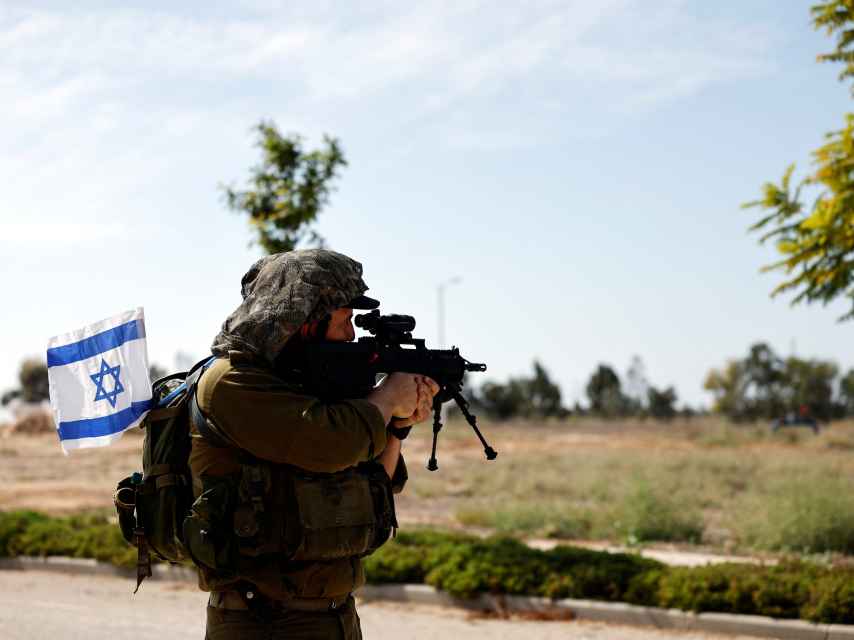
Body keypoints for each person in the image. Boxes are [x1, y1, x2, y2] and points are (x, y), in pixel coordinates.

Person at [187, 249, 438, 639]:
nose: (352, 335)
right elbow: (331, 445)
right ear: (302, 323)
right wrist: (386, 398)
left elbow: (373, 486)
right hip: (263, 622)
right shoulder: (232, 383)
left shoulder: (315, 391)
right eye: (344, 321)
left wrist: (397, 426)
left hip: (334, 615)